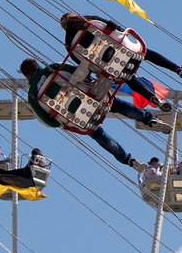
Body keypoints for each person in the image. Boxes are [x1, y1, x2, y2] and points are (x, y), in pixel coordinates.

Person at [19, 58, 152, 172]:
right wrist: (89, 81)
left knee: (98, 134)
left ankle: (128, 159)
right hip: (88, 98)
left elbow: (47, 121)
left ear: (27, 76)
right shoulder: (52, 68)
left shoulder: (32, 96)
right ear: (37, 65)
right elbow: (78, 72)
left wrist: (60, 123)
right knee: (116, 104)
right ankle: (148, 119)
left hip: (76, 117)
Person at [58, 11, 182, 94]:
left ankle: (151, 97)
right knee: (146, 53)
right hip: (122, 49)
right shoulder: (90, 20)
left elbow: (82, 64)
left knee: (127, 77)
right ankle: (177, 69)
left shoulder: (69, 44)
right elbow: (115, 27)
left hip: (110, 64)